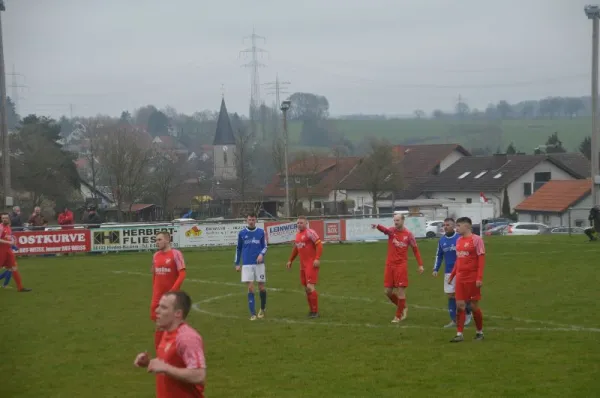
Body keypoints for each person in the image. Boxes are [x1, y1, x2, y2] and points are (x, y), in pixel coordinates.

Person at [134, 291, 206, 398]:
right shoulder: (167, 332)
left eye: (163, 308)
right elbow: (171, 364)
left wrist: (166, 368)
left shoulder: (187, 337)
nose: (157, 310)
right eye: (158, 306)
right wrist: (149, 363)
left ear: (178, 313)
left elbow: (199, 375)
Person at [372, 213, 424, 323]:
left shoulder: (409, 235)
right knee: (387, 292)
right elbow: (385, 230)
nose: (395, 222)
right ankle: (403, 307)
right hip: (389, 265)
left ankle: (398, 316)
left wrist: (420, 265)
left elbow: (415, 250)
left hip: (401, 265)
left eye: (398, 220)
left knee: (401, 291)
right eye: (394, 220)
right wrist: (377, 226)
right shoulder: (392, 231)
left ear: (403, 220)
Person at [448, 217, 486, 342]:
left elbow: (481, 260)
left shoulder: (477, 240)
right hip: (460, 278)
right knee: (460, 305)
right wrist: (452, 276)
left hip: (472, 278)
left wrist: (479, 278)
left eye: (458, 226)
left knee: (474, 306)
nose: (456, 228)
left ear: (467, 226)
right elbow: (458, 260)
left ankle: (479, 332)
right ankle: (459, 334)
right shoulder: (458, 240)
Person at [433, 218, 472, 328]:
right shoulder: (441, 240)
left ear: (454, 226)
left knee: (462, 295)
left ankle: (467, 312)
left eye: (448, 224)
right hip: (448, 272)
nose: (445, 226)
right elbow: (439, 255)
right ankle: (454, 320)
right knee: (450, 295)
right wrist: (436, 269)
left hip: (462, 271)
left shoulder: (460, 238)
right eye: (444, 225)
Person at [151, 231, 187, 348]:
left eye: (159, 239)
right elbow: (155, 276)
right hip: (158, 297)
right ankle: (161, 353)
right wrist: (154, 295)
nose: (157, 242)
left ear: (167, 240)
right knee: (160, 325)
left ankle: (177, 349)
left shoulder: (176, 254)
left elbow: (182, 274)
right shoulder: (155, 256)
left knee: (171, 325)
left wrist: (173, 291)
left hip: (171, 297)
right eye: (156, 240)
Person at [286, 216, 323, 318]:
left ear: (306, 223)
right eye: (298, 223)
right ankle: (312, 311)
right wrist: (290, 260)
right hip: (303, 266)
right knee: (307, 289)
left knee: (310, 287)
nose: (299, 224)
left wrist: (317, 258)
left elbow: (319, 245)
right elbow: (296, 249)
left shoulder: (310, 232)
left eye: (301, 223)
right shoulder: (297, 235)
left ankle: (315, 312)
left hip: (311, 264)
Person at [234, 213, 268, 320]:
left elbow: (265, 246)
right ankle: (253, 314)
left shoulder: (261, 232)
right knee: (251, 288)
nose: (251, 221)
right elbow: (238, 249)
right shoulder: (242, 233)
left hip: (259, 264)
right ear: (246, 220)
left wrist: (261, 254)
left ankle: (262, 309)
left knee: (261, 287)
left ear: (256, 220)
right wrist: (237, 263)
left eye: (253, 219)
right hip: (247, 264)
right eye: (249, 219)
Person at [0, 213, 31, 292]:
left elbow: (8, 239)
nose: (4, 219)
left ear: (9, 218)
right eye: (3, 218)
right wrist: (8, 243)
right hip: (1, 251)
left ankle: (20, 288)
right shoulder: (1, 227)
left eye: (6, 218)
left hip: (8, 251)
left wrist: (12, 245)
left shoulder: (8, 227)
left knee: (14, 268)